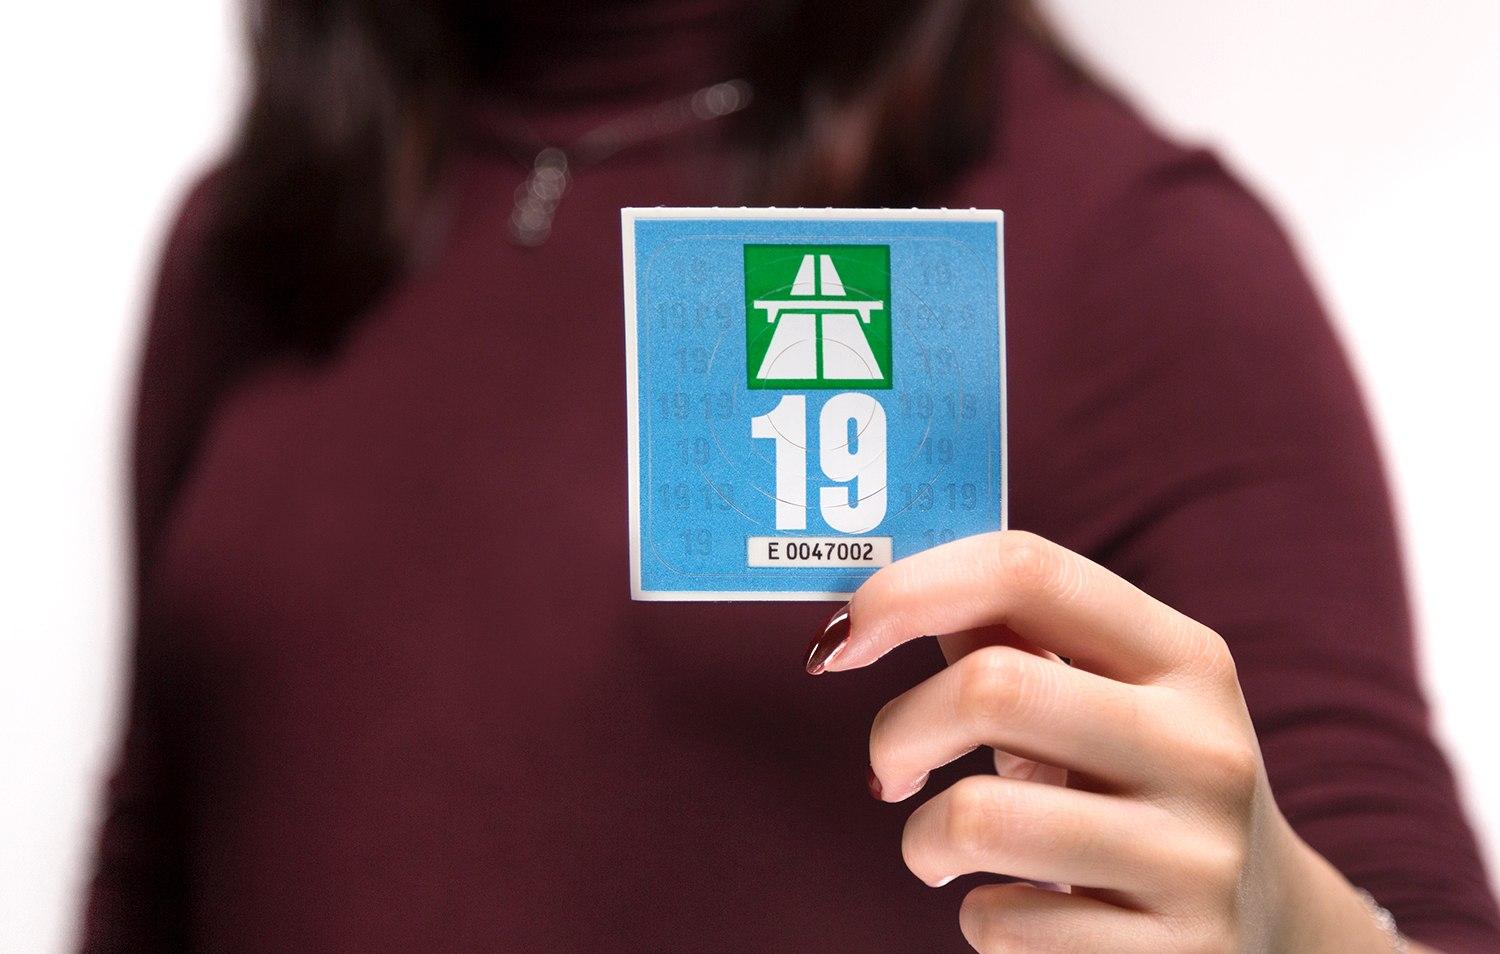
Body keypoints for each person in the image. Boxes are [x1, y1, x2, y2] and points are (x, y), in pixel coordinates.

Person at [81, 0, 1500, 950]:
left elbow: (1407, 905)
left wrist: (1294, 930)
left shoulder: (1131, 253)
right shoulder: (252, 248)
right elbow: (156, 859)